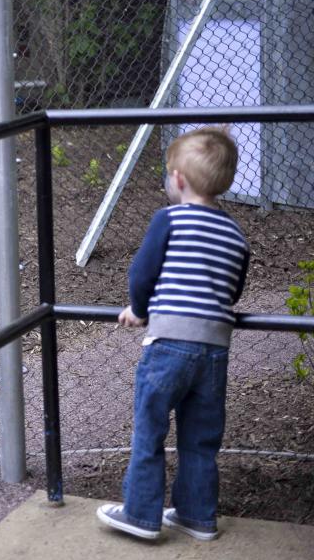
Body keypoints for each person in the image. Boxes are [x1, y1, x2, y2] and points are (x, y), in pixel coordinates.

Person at [96, 126, 250, 541]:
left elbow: (142, 273)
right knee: (201, 437)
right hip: (215, 349)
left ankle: (141, 514)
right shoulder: (235, 234)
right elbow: (233, 289)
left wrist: (140, 310)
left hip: (169, 346)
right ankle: (197, 516)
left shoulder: (169, 219)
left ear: (177, 179)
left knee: (149, 429)